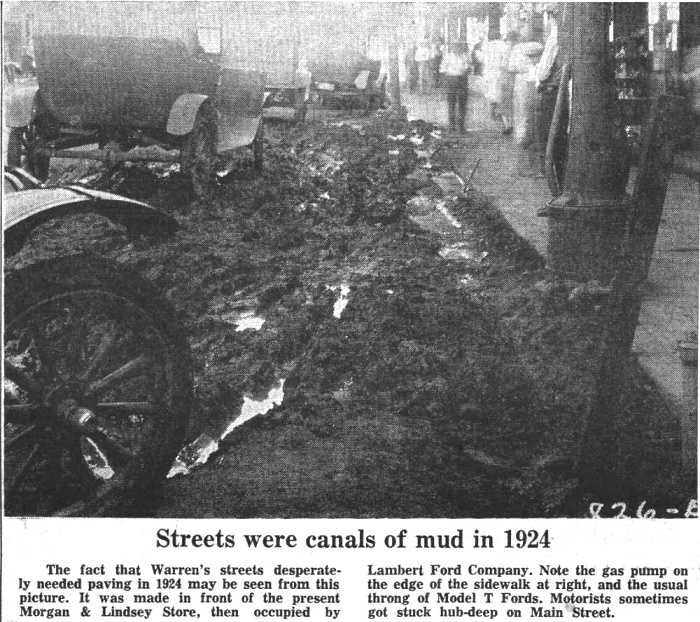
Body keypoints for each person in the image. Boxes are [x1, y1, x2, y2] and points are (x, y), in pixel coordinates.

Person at [441, 42, 470, 133]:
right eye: (455, 47)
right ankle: (451, 125)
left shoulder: (465, 56)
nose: (457, 49)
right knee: (451, 103)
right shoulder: (448, 56)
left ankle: (461, 126)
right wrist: (447, 78)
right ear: (452, 48)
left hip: (462, 80)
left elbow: (468, 68)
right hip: (451, 80)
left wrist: (466, 70)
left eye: (459, 47)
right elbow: (442, 69)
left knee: (462, 103)